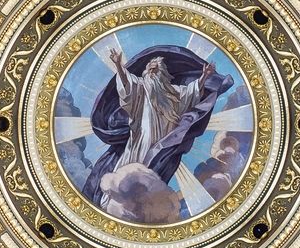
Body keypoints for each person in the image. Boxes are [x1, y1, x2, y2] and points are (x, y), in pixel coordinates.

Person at [84, 45, 232, 209]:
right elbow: (127, 84)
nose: (151, 72)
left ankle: (136, 203)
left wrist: (204, 76)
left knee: (150, 170)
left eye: (155, 69)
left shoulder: (174, 92)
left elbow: (192, 93)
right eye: (149, 69)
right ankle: (110, 200)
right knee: (129, 166)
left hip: (163, 139)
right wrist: (118, 65)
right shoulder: (142, 89)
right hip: (141, 138)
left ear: (163, 73)